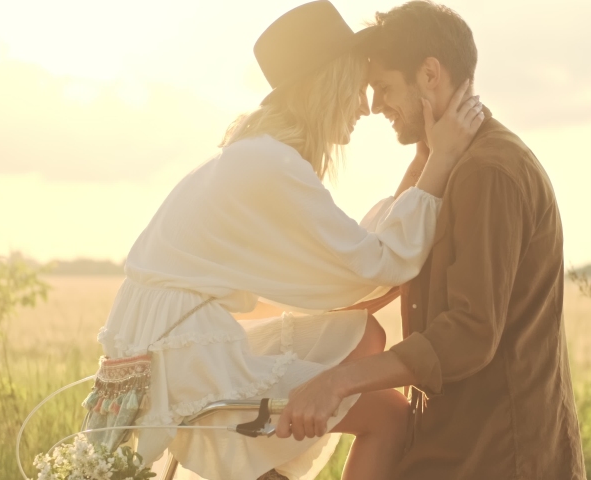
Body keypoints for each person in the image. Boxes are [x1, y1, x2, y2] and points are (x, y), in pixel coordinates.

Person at [95, 1, 484, 479]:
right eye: (358, 88)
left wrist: (424, 159)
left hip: (167, 341)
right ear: (330, 85)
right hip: (185, 354)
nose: (366, 106)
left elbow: (359, 256)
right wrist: (441, 161)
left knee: (361, 336)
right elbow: (374, 266)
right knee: (390, 416)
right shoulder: (272, 166)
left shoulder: (255, 154)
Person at [275, 2, 587, 479]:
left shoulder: (489, 172)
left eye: (384, 87)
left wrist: (339, 382)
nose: (376, 105)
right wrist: (427, 158)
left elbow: (469, 332)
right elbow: (383, 260)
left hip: (500, 456)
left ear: (429, 74)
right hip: (452, 446)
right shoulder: (451, 167)